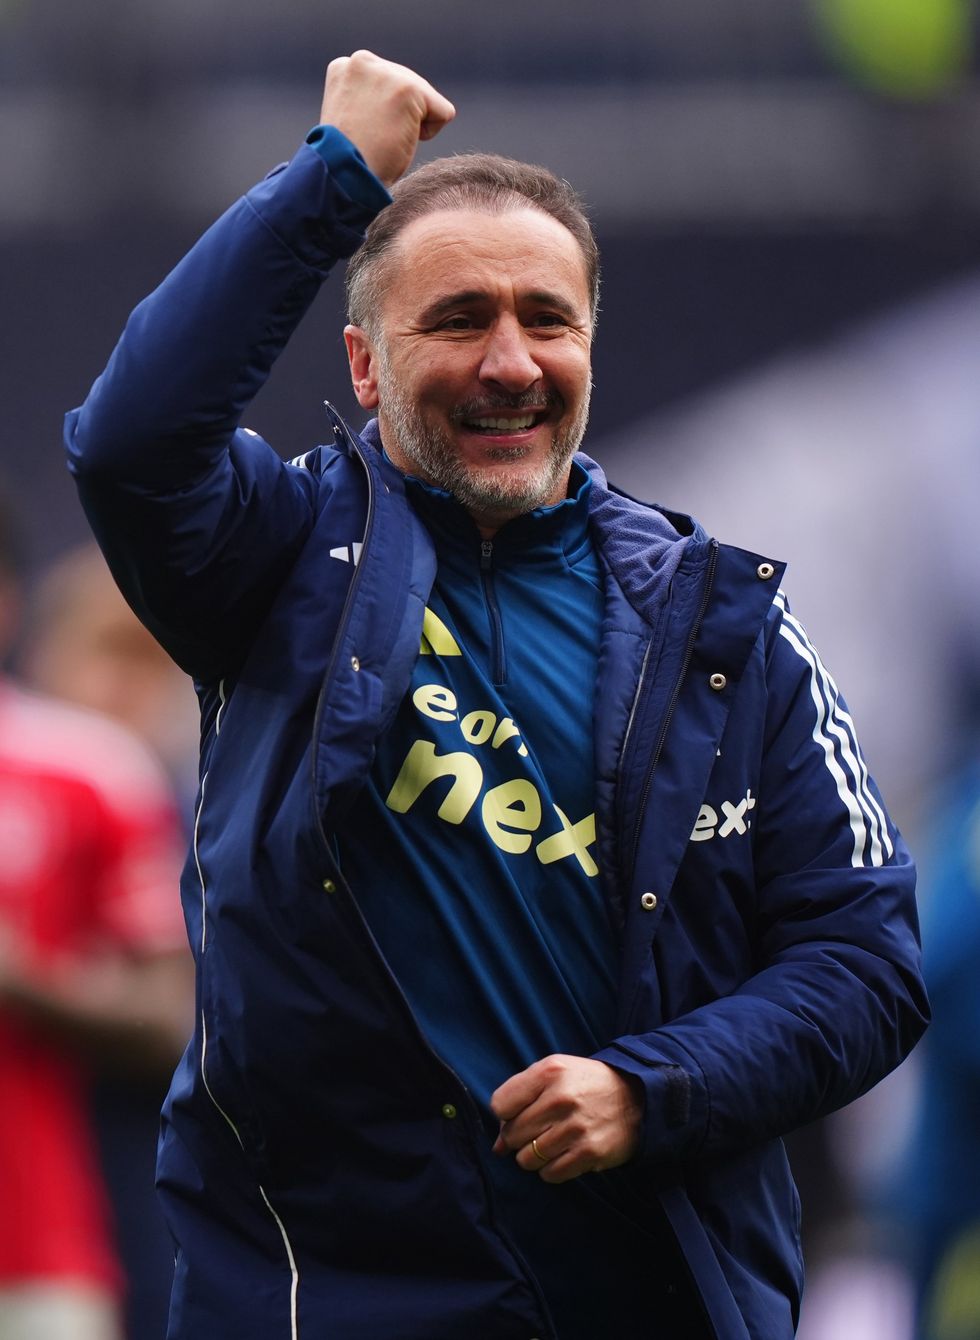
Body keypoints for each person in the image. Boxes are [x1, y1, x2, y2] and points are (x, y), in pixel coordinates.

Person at [64, 50, 928, 1340]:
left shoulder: (726, 625)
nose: (511, 360)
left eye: (546, 317)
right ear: (364, 366)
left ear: (590, 344)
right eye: (457, 319)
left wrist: (651, 1088)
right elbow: (131, 442)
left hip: (646, 1299)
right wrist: (332, 179)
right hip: (325, 1300)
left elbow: (864, 960)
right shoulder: (278, 559)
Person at [0, 497, 192, 1340]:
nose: (122, 693)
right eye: (106, 658)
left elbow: (178, 1021)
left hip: (79, 1225)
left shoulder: (95, 781)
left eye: (151, 666)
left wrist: (28, 980)